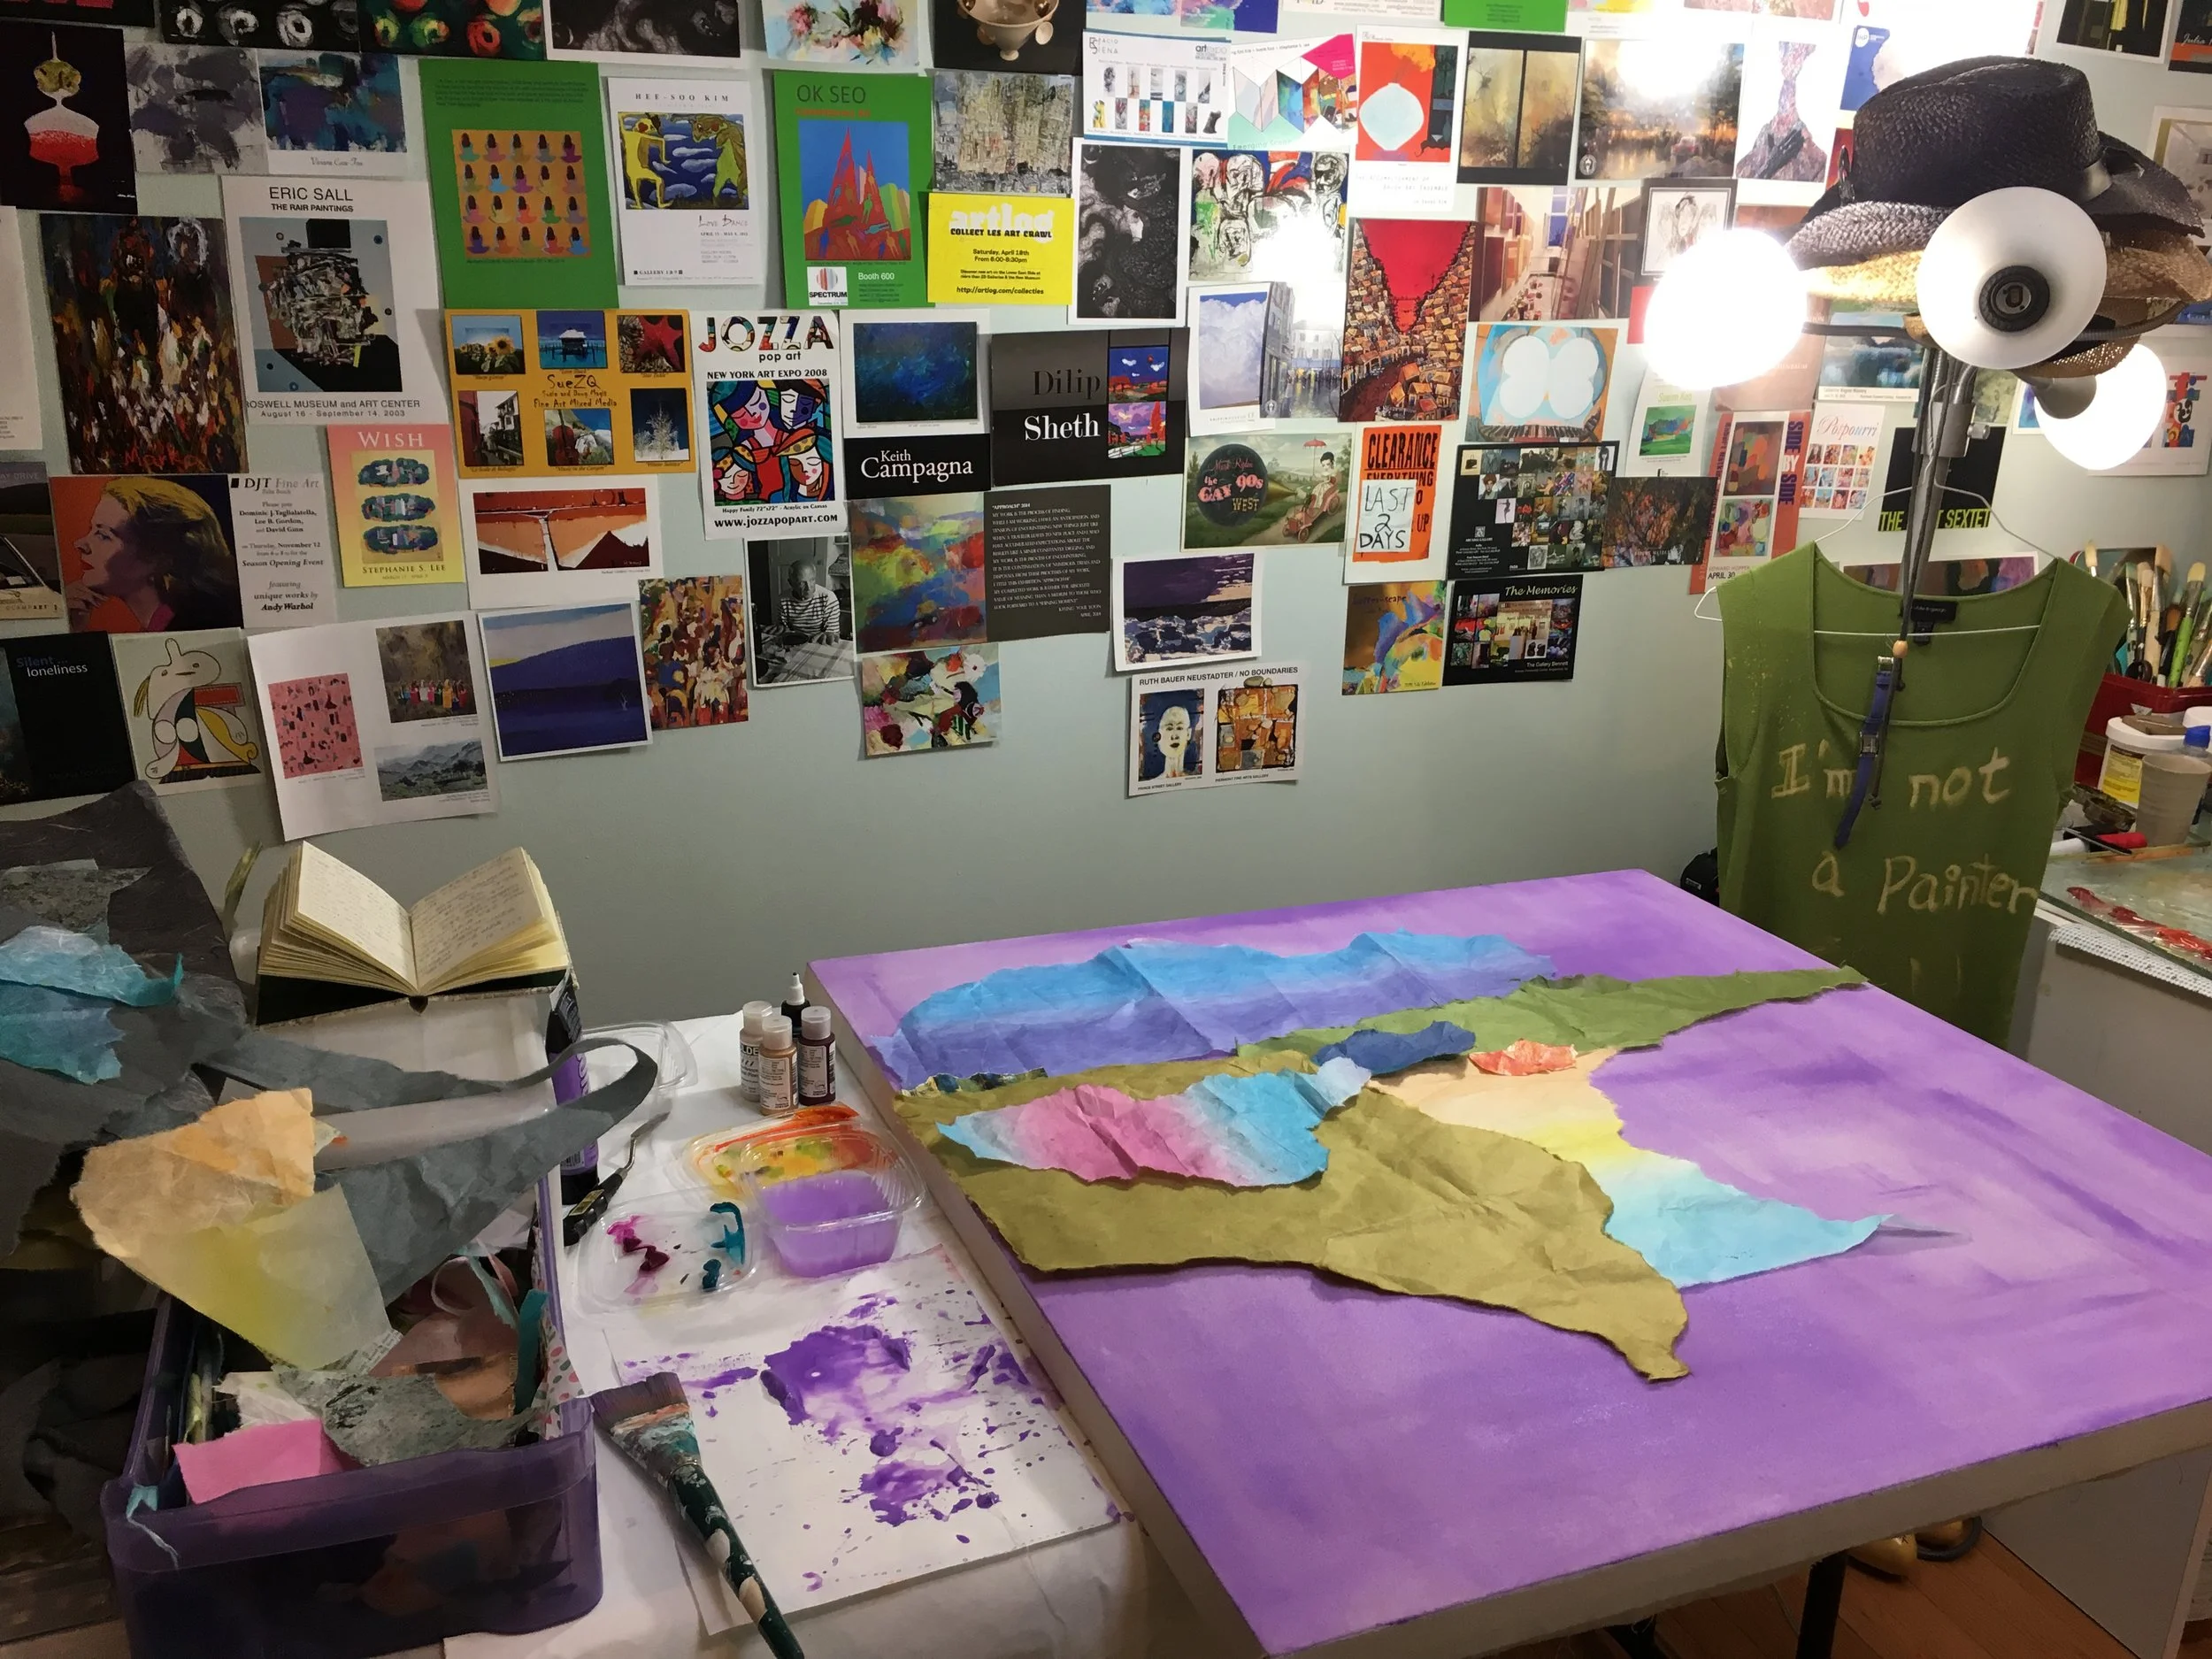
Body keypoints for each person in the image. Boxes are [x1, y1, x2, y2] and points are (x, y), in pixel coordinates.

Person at [69, 477, 239, 633]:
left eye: (103, 535)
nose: (80, 544)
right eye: (92, 530)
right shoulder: (161, 628)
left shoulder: (190, 630)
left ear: (158, 558)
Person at [777, 554, 842, 645]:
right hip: (796, 642)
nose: (808, 588)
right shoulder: (783, 600)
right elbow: (784, 630)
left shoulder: (828, 598)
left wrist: (828, 635)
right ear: (791, 583)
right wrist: (781, 629)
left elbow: (832, 633)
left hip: (820, 643)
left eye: (812, 580)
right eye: (802, 583)